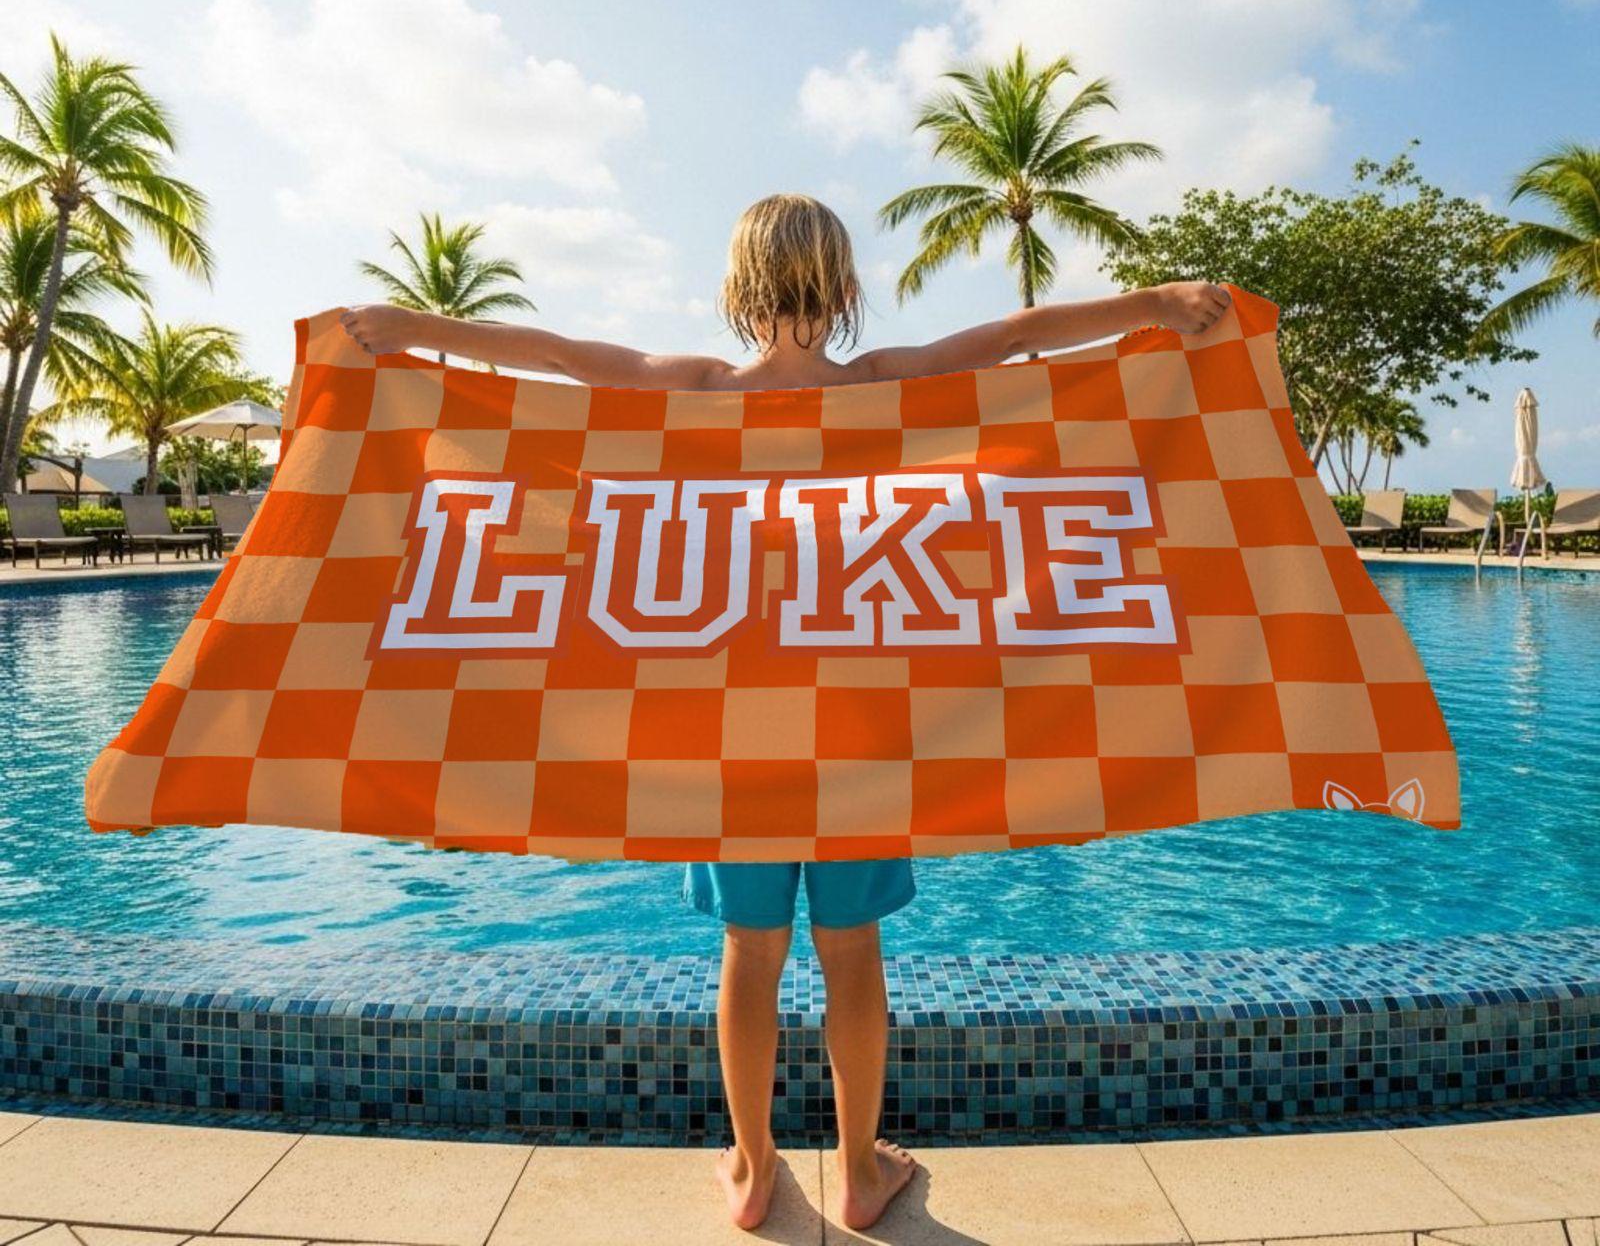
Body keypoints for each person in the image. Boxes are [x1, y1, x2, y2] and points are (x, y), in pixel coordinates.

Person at [342, 193, 1229, 1232]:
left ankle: (757, 1166)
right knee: (852, 953)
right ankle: (856, 1169)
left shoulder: (698, 389)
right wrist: (1156, 304)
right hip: (863, 729)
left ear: (736, 287)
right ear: (846, 286)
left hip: (730, 735)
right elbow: (1014, 335)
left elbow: (560, 355)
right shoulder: (885, 385)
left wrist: (410, 328)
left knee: (749, 954)